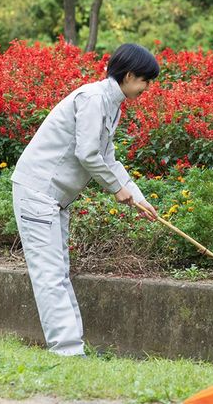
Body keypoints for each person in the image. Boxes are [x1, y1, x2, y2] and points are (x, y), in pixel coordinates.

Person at [11, 43, 160, 356]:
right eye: (146, 80)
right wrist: (115, 189)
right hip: (38, 192)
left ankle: (71, 347)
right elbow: (87, 154)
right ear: (130, 75)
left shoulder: (112, 105)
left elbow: (109, 158)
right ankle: (67, 350)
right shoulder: (93, 99)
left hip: (54, 198)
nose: (148, 87)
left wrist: (137, 197)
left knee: (59, 271)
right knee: (49, 274)